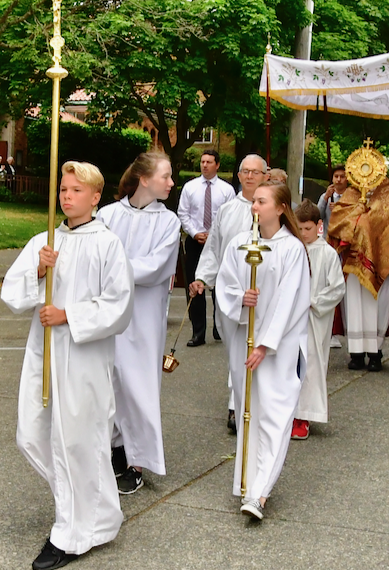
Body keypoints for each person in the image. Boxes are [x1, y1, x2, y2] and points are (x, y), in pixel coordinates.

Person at [1, 161, 134, 570]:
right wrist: (39, 269)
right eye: (63, 188)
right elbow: (12, 292)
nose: (66, 195)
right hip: (44, 354)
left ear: (95, 197)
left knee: (76, 441)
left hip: (84, 358)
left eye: (76, 190)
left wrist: (69, 316)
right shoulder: (46, 239)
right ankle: (94, 512)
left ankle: (71, 533)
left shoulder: (107, 244)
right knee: (32, 433)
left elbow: (119, 304)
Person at [216, 182, 311, 519]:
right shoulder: (241, 244)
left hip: (280, 348)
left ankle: (261, 493)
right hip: (245, 342)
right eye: (253, 201)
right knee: (249, 413)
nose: (254, 206)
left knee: (274, 415)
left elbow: (290, 301)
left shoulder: (292, 250)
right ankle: (247, 483)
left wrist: (267, 344)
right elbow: (224, 283)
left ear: (281, 207)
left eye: (261, 201)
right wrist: (241, 298)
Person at [96, 152, 180, 495]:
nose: (172, 183)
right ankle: (114, 447)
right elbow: (93, 257)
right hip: (107, 313)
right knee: (107, 382)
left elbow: (156, 267)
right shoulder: (107, 215)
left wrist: (114, 268)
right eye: (166, 176)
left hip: (144, 316)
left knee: (140, 386)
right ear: (144, 179)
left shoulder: (169, 222)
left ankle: (138, 462)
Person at [189, 153, 267, 435]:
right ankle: (236, 405)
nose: (249, 176)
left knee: (259, 349)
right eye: (244, 171)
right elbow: (214, 248)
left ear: (265, 176)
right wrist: (201, 278)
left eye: (255, 172)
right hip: (231, 292)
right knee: (236, 351)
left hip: (262, 294)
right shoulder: (228, 210)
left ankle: (254, 405)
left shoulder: (272, 210)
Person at [326, 155, 389, 372]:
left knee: (379, 306)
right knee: (353, 306)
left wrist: (371, 218)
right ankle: (356, 353)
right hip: (353, 263)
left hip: (382, 263)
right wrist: (359, 212)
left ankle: (376, 352)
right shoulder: (350, 194)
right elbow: (336, 224)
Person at [293, 199, 345, 439]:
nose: (304, 234)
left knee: (311, 363)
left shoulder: (328, 253)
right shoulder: (292, 248)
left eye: (308, 229)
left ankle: (304, 415)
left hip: (314, 318)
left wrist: (313, 301)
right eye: (299, 229)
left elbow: (336, 288)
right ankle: (288, 412)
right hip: (292, 316)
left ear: (319, 225)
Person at [176, 149, 234, 346]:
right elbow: (183, 213)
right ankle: (198, 332)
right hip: (195, 240)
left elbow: (229, 216)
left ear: (217, 165)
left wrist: (214, 234)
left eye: (209, 162)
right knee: (195, 284)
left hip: (217, 241)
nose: (205, 165)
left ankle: (220, 327)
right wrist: (194, 233)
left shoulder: (227, 190)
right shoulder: (190, 187)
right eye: (202, 162)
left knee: (220, 284)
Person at [317, 163, 349, 237]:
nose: (338, 179)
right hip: (328, 239)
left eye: (342, 177)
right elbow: (317, 216)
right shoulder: (325, 197)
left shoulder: (351, 198)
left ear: (347, 179)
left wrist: (339, 211)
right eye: (336, 176)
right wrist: (325, 198)